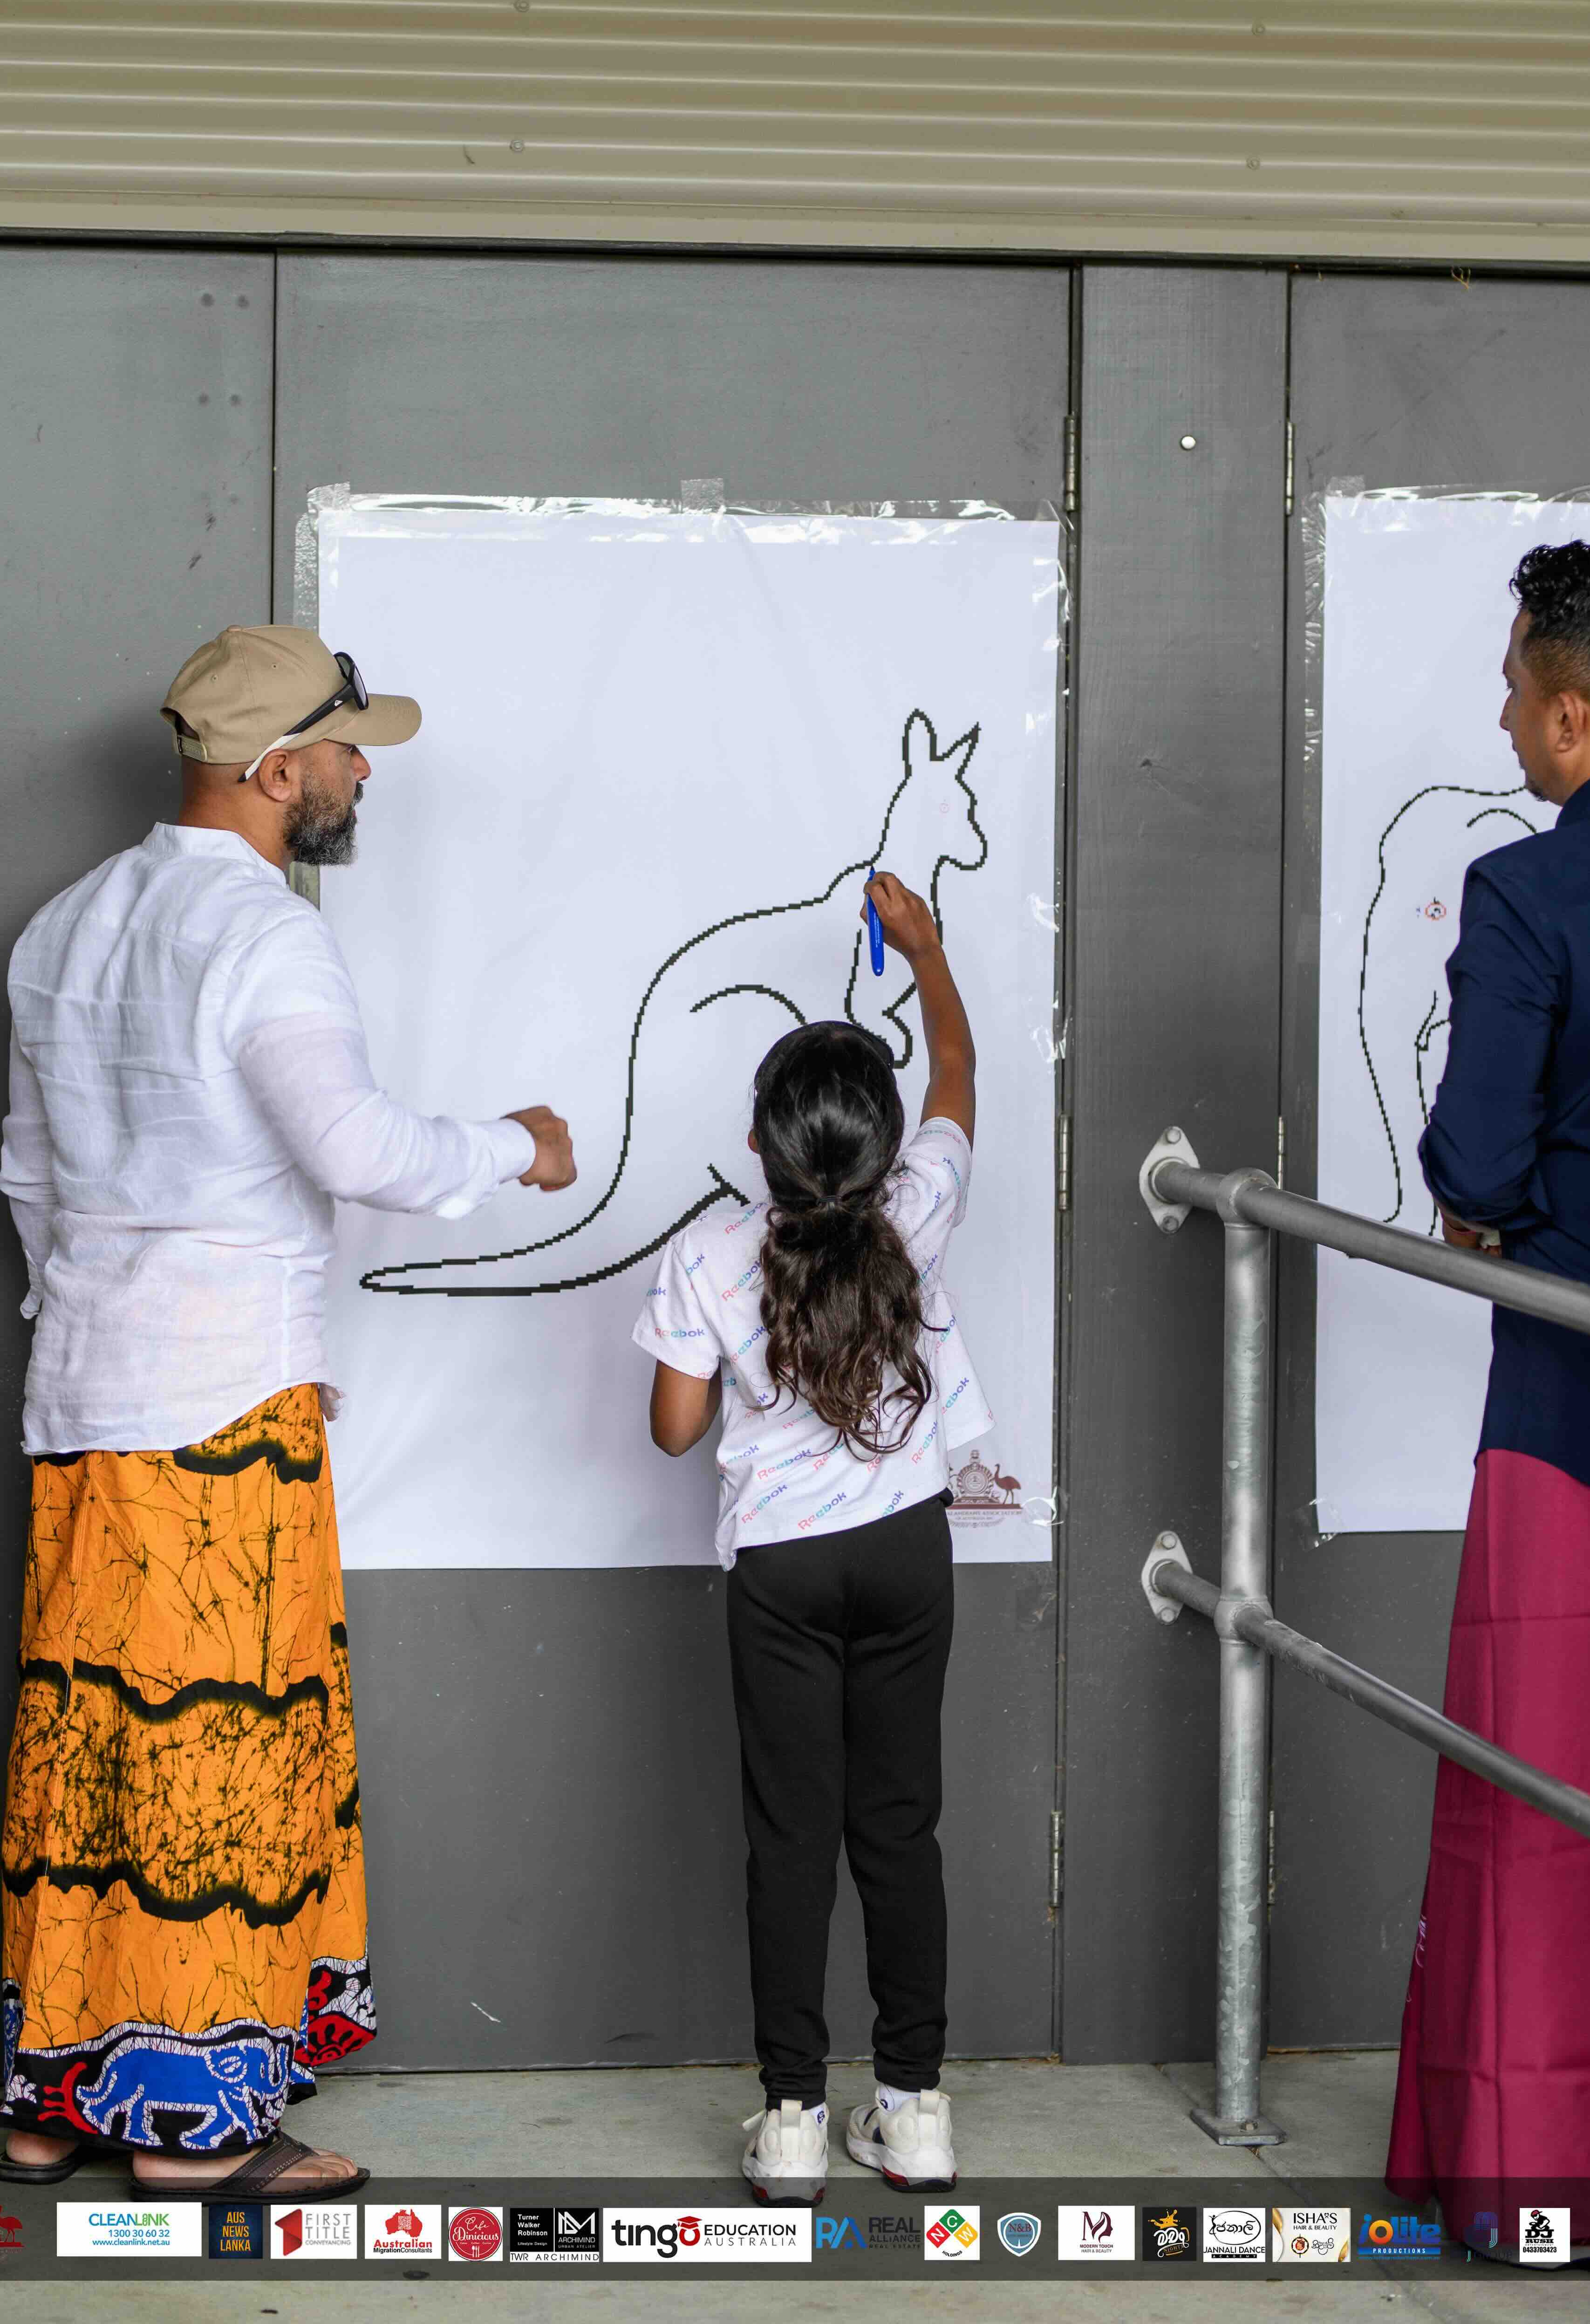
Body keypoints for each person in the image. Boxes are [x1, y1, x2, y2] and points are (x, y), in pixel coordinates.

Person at [0, 625, 574, 2203]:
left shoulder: (58, 931)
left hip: (82, 1405)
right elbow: (363, 1151)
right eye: (342, 747)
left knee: (93, 1748)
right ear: (270, 770)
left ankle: (58, 2100)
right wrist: (514, 1145)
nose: (359, 770)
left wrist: (102, 1315)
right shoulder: (264, 936)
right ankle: (194, 2138)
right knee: (216, 1765)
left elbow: (33, 1189)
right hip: (221, 1412)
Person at [636, 874, 990, 2208]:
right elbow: (957, 1061)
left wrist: (716, 1359)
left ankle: (791, 2121)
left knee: (792, 1840)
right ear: (889, 1148)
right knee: (900, 1831)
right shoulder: (921, 1210)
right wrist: (929, 952)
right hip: (906, 1553)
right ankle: (916, 2114)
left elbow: (676, 1432)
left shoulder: (712, 1255)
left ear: (757, 1142)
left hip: (779, 1577)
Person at [1388, 542, 1590, 2256]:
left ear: (1573, 713)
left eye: (1510, 688)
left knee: (1556, 1792)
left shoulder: (1533, 896)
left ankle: (1556, 2185)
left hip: (1582, 1391)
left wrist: (1492, 1194)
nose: (1500, 715)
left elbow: (1479, 1156)